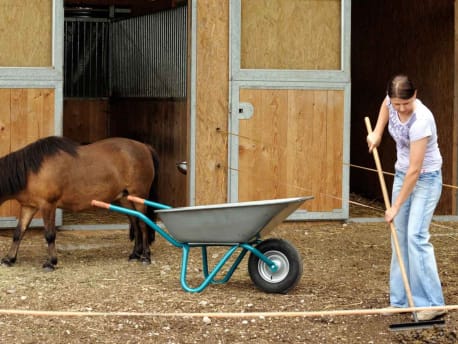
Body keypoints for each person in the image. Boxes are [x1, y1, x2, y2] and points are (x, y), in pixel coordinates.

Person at [366, 74, 446, 321]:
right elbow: (384, 105)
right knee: (398, 238)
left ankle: (432, 304)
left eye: (406, 103)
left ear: (415, 94)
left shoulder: (422, 120)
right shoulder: (391, 102)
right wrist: (377, 133)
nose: (401, 108)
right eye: (397, 103)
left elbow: (415, 169)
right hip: (402, 174)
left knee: (415, 236)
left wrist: (395, 206)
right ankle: (400, 302)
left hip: (425, 178)